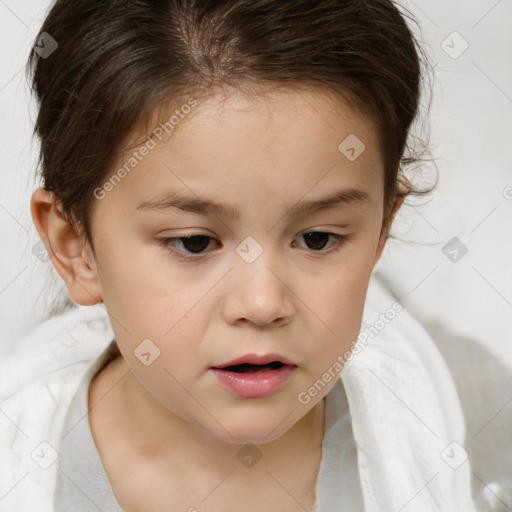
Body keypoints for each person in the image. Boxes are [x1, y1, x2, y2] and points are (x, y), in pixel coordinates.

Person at [0, 0, 487, 510]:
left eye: (318, 239)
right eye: (194, 242)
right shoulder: (23, 477)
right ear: (75, 248)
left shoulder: (463, 439)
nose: (262, 303)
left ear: (382, 228)